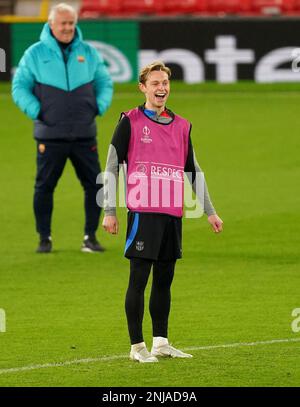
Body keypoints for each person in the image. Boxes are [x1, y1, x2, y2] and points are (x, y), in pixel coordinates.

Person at [102, 61, 223, 363]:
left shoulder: (182, 126)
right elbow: (112, 166)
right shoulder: (129, 121)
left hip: (172, 214)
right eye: (155, 83)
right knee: (138, 279)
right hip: (143, 212)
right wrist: (109, 210)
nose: (161, 88)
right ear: (143, 87)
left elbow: (193, 170)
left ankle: (161, 342)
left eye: (165, 83)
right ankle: (136, 347)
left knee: (164, 280)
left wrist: (210, 211)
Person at [12, 3, 113, 253]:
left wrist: (97, 107)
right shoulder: (34, 54)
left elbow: (105, 82)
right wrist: (38, 111)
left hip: (84, 133)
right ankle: (44, 238)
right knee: (44, 187)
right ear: (51, 24)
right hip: (51, 135)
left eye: (71, 23)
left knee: (95, 185)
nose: (67, 28)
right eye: (63, 24)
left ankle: (90, 237)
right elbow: (19, 88)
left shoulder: (88, 53)